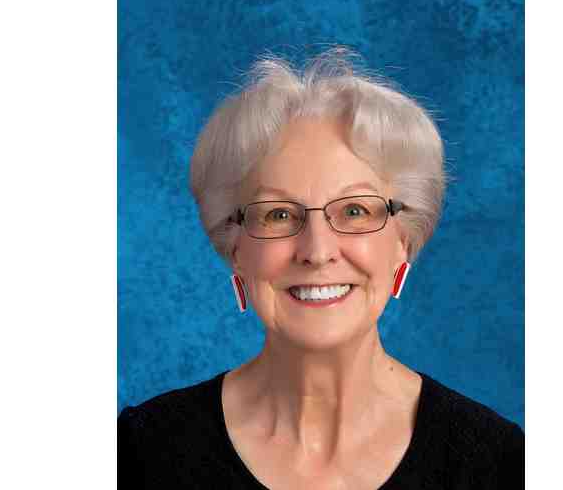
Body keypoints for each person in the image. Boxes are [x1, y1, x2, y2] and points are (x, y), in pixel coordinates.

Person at [118, 46, 524, 489]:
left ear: (403, 241)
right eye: (278, 214)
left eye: (354, 211)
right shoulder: (141, 453)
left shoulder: (499, 463)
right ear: (235, 248)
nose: (317, 251)